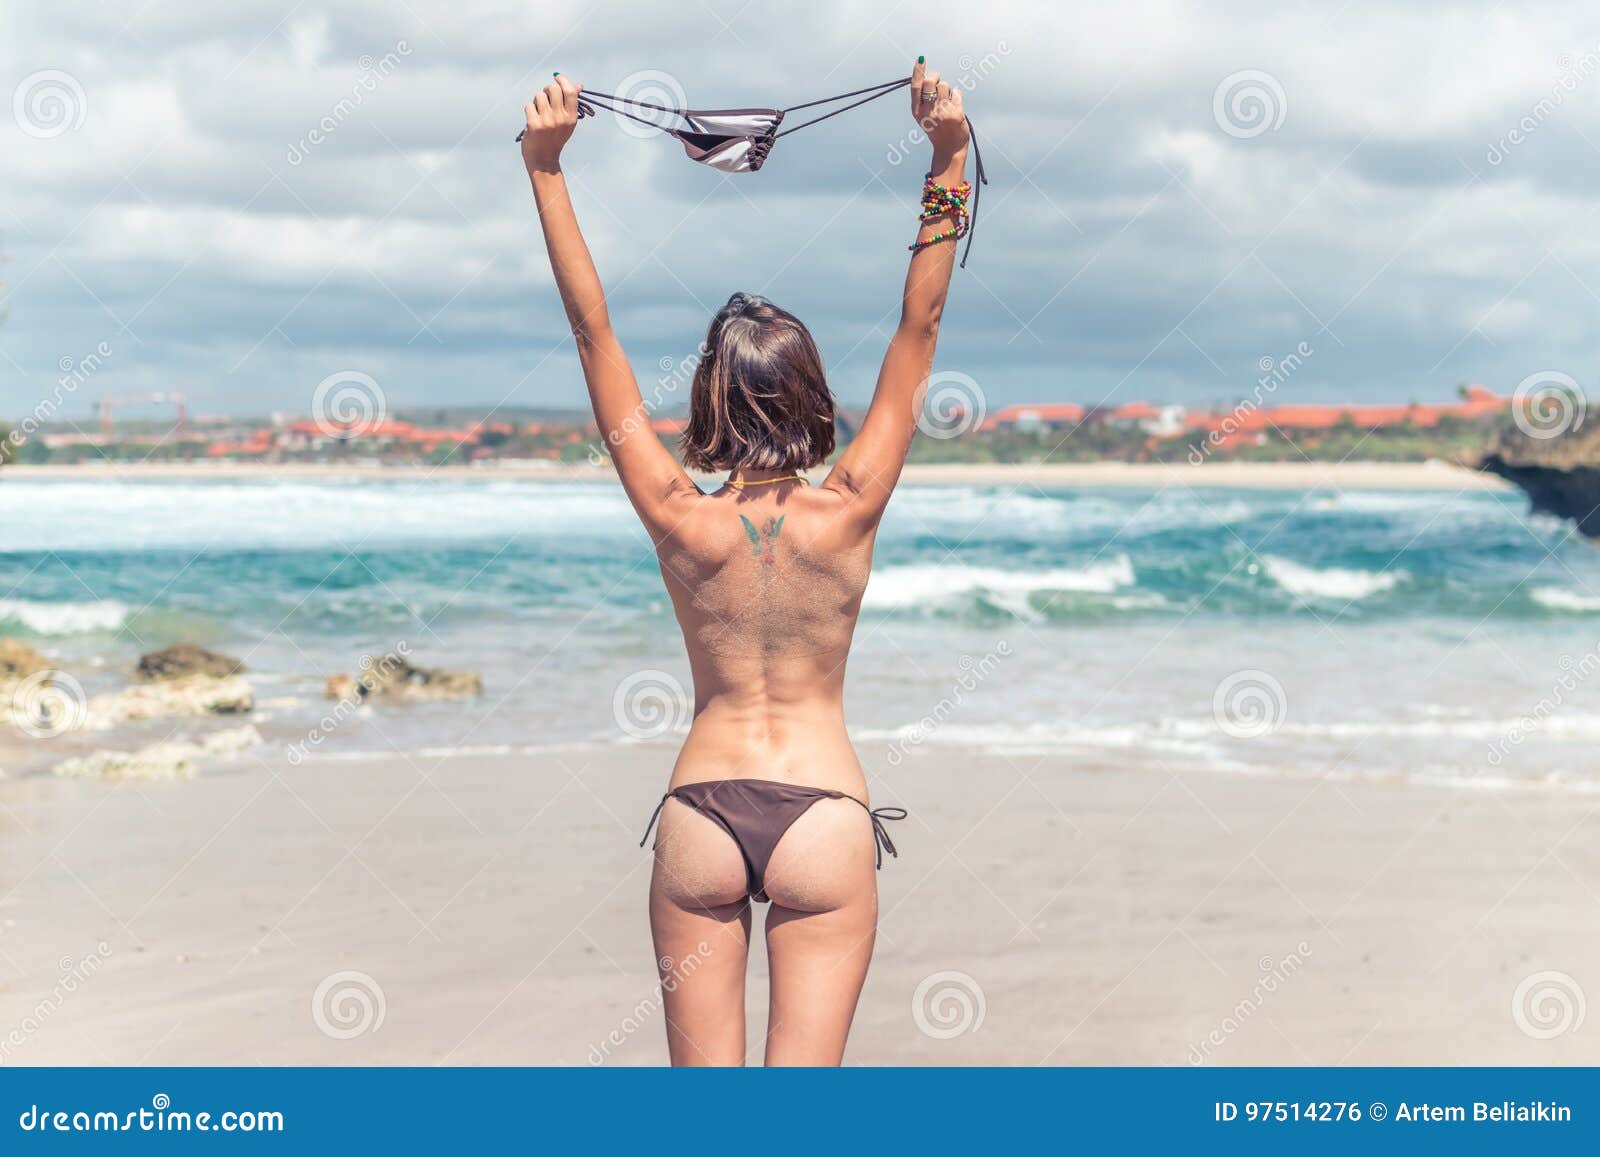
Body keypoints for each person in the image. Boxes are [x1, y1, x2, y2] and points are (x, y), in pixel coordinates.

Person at [521, 58, 970, 1065]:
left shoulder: (678, 513)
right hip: (824, 813)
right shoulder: (849, 508)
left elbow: (592, 331)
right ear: (812, 398)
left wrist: (545, 170)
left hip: (702, 814)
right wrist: (947, 154)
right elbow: (921, 322)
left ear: (707, 400)